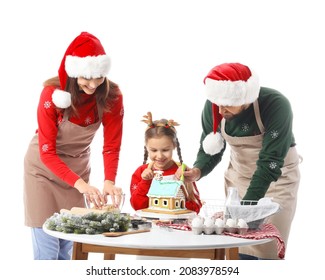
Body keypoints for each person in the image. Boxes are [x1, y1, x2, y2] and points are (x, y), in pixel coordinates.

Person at [179, 63, 301, 260]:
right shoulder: (215, 105)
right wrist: (198, 170)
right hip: (239, 178)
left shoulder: (275, 104)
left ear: (244, 97)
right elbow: (210, 146)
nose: (220, 110)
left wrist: (245, 208)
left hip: (277, 180)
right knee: (237, 246)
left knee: (265, 244)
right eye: (217, 103)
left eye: (226, 104)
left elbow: (270, 161)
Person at [23, 32, 124, 260]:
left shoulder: (112, 96)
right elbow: (47, 153)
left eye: (99, 77)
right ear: (73, 73)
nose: (93, 84)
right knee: (48, 248)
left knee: (70, 245)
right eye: (86, 78)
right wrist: (82, 186)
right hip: (43, 171)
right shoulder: (51, 96)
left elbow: (111, 145)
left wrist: (109, 181)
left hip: (77, 170)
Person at [130, 112, 202, 214]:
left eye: (165, 150)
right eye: (154, 150)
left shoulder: (182, 171)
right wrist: (145, 182)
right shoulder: (141, 172)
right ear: (147, 148)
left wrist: (176, 204)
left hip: (178, 227)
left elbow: (196, 208)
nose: (159, 156)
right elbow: (137, 206)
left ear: (174, 146)